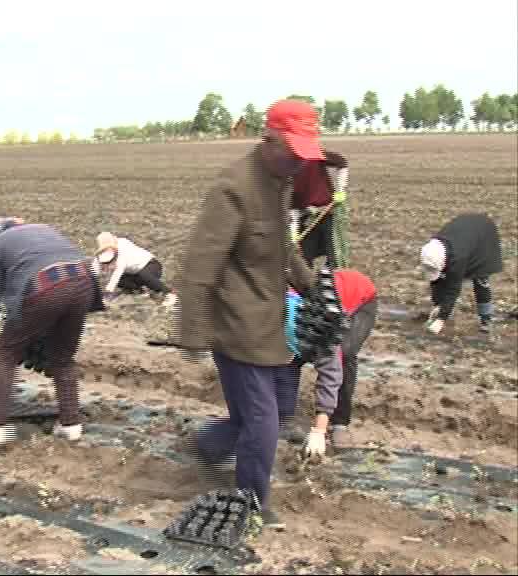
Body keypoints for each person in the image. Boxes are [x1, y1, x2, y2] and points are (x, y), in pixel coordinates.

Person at [177, 99, 319, 526]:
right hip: (236, 324)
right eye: (292, 151)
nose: (298, 162)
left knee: (248, 416)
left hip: (269, 319)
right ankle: (250, 503)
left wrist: (309, 285)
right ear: (269, 139)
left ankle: (209, 445)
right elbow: (200, 264)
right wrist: (194, 330)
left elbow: (282, 247)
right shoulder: (234, 187)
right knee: (265, 419)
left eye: (303, 153)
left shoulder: (279, 182)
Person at [0, 217, 102, 446]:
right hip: (84, 282)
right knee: (62, 359)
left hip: (45, 285)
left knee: (4, 354)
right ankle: (71, 426)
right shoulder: (44, 228)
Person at [282, 269, 378, 454]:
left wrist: (319, 430)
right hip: (315, 304)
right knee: (289, 362)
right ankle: (284, 417)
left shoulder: (323, 331)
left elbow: (330, 375)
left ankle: (339, 423)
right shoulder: (276, 317)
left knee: (344, 355)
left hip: (361, 295)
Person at [420, 213, 503, 336]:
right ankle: (443, 310)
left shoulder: (458, 258)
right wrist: (438, 305)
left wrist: (441, 319)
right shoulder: (432, 249)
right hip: (464, 237)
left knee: (480, 280)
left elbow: (453, 290)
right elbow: (436, 280)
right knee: (442, 277)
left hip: (483, 238)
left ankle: (486, 319)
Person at [290, 148, 350, 268]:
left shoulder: (313, 153)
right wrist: (292, 235)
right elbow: (290, 209)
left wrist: (340, 190)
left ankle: (337, 281)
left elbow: (342, 163)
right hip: (304, 217)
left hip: (327, 211)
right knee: (303, 258)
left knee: (335, 255)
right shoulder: (281, 172)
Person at [95, 231, 177, 308]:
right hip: (134, 273)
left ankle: (169, 293)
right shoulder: (102, 252)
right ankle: (140, 293)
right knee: (121, 281)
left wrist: (108, 292)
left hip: (152, 266)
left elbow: (117, 272)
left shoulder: (123, 246)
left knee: (143, 274)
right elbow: (94, 270)